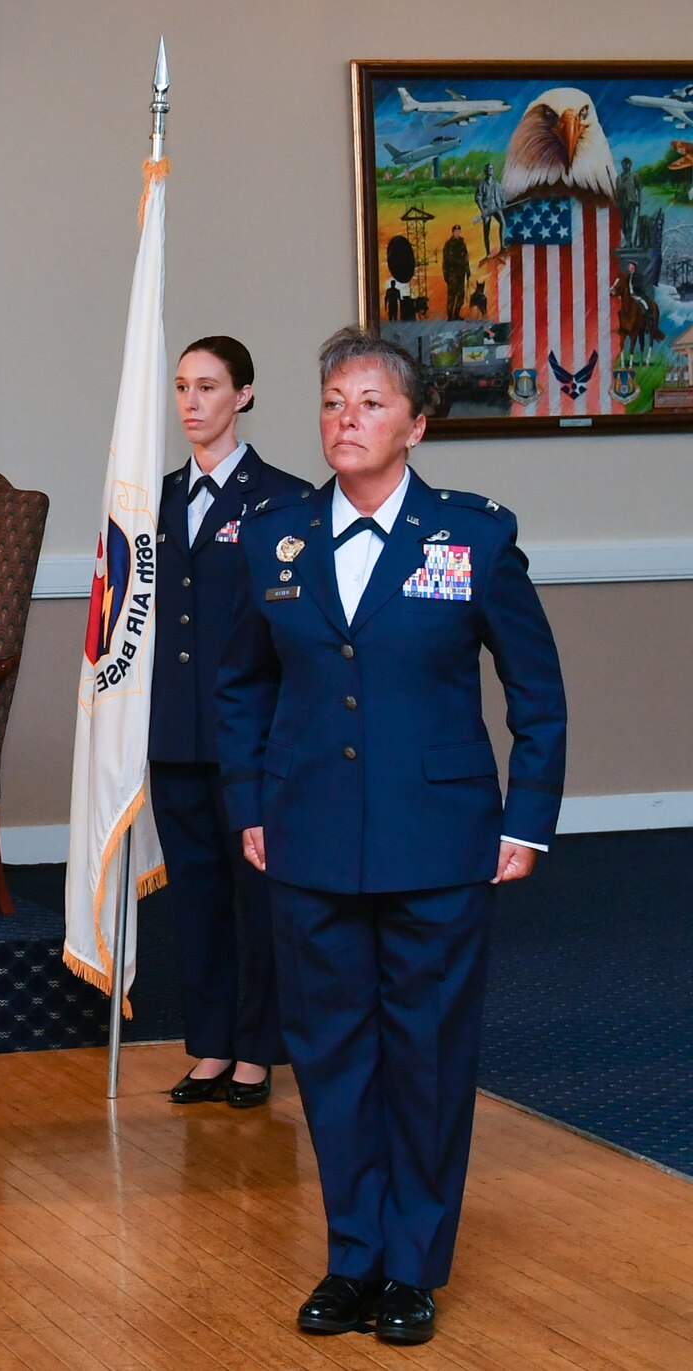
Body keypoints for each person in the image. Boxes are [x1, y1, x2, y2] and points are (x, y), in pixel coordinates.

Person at [216, 327, 565, 1346]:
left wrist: (526, 822)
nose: (343, 420)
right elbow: (239, 686)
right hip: (307, 837)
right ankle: (350, 1259)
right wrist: (247, 803)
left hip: (439, 839)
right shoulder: (271, 538)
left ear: (413, 425)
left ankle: (410, 1266)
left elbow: (535, 695)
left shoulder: (475, 538)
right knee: (328, 1056)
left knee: (424, 1054)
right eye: (329, 402)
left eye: (367, 404)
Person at [151, 337, 312, 1111]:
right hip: (174, 734)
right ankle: (211, 1046)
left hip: (250, 741)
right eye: (181, 386)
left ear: (243, 395)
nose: (191, 402)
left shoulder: (282, 499)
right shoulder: (154, 498)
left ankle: (256, 1053)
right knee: (197, 899)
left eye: (208, 386)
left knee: (257, 902)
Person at [474, 164, 505, 258]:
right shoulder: (482, 184)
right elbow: (478, 198)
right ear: (485, 171)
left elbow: (502, 195)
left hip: (496, 208)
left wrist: (503, 203)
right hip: (487, 209)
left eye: (491, 169)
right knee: (486, 230)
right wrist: (482, 210)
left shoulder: (497, 184)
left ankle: (502, 246)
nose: (490, 170)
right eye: (488, 169)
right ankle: (488, 253)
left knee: (503, 222)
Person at [441, 226, 470, 321]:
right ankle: (450, 316)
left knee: (460, 295)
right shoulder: (448, 245)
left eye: (459, 231)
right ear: (453, 232)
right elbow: (445, 261)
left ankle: (456, 314)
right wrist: (446, 274)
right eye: (456, 231)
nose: (457, 233)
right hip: (452, 275)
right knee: (452, 296)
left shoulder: (462, 244)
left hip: (461, 274)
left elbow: (466, 259)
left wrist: (467, 271)